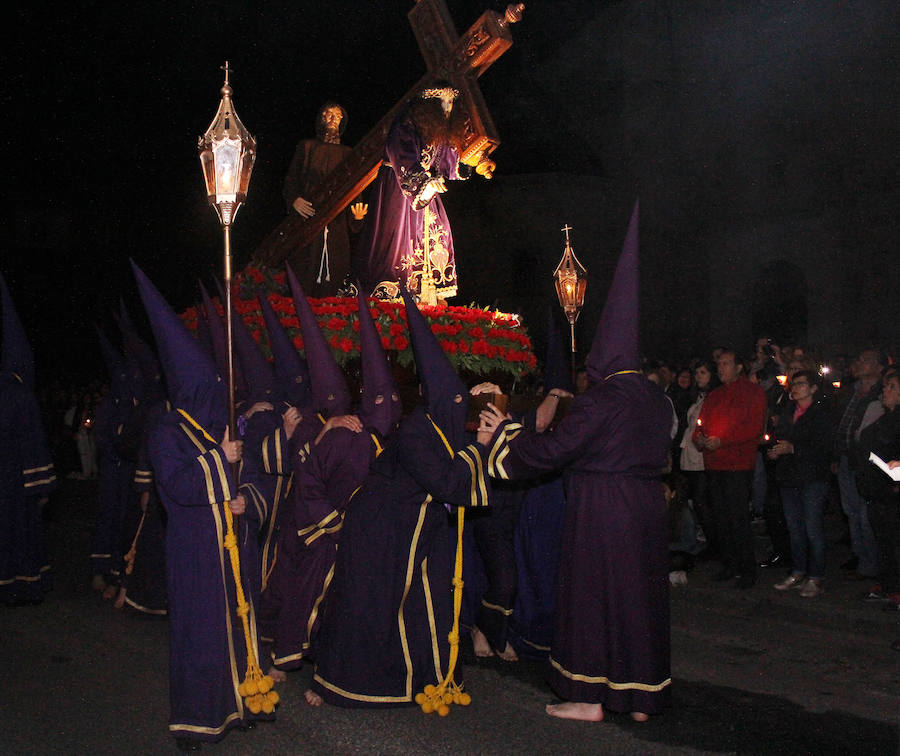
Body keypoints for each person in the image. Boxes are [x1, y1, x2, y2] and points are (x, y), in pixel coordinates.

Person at [479, 204, 673, 722]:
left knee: (592, 596)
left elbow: (554, 451)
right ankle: (641, 699)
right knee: (637, 599)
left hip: (602, 508)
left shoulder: (603, 399)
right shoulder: (654, 398)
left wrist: (504, 437)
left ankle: (587, 696)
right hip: (646, 506)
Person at [309, 289, 494, 708]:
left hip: (410, 531)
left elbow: (456, 465)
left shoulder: (439, 429)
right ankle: (336, 684)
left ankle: (420, 678)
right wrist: (480, 449)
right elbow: (449, 482)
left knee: (420, 602)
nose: (458, 409)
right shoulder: (416, 432)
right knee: (367, 606)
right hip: (378, 530)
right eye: (455, 402)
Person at [133, 262, 276, 749]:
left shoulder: (224, 423)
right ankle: (198, 719)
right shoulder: (167, 432)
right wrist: (220, 460)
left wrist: (245, 500)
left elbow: (255, 476)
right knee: (202, 632)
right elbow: (175, 486)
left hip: (235, 541)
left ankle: (242, 701)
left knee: (238, 623)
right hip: (195, 549)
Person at [352, 82, 495, 300]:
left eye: (451, 102)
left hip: (427, 190)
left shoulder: (440, 131)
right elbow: (399, 152)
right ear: (430, 105)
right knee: (396, 243)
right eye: (443, 102)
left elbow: (447, 161)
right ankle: (392, 294)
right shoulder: (408, 122)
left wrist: (469, 163)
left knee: (438, 235)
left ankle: (427, 297)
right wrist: (423, 183)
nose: (448, 107)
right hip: (400, 188)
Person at [0, 272, 57, 606]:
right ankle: (23, 584)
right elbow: (34, 443)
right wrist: (43, 486)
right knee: (19, 534)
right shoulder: (21, 396)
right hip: (16, 482)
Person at [693, 349, 767, 588]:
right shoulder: (714, 395)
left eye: (726, 363)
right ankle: (729, 564)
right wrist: (701, 439)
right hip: (714, 464)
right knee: (720, 518)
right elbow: (699, 426)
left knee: (737, 517)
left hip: (737, 464)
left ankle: (747, 569)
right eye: (720, 364)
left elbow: (753, 428)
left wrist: (723, 441)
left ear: (738, 367)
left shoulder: (753, 393)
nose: (721, 368)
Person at [282, 102, 368, 296]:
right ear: (321, 119)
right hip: (308, 219)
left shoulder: (348, 154)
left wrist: (357, 216)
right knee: (305, 270)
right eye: (328, 115)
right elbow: (291, 179)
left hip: (336, 222)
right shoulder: (307, 147)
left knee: (337, 271)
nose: (332, 119)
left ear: (341, 122)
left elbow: (354, 188)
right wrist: (294, 199)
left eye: (337, 116)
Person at [767, 369, 833, 597]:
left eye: (801, 384)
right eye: (793, 384)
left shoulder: (821, 413)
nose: (795, 388)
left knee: (812, 527)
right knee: (794, 528)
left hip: (812, 477)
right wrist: (775, 451)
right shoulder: (788, 412)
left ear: (813, 388)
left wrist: (794, 448)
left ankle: (816, 576)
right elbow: (779, 438)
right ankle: (798, 570)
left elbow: (824, 447)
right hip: (789, 477)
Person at [832, 348, 884, 579]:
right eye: (860, 359)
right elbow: (840, 425)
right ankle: (859, 555)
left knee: (865, 513)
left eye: (867, 360)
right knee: (851, 510)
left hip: (866, 463)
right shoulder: (850, 392)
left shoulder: (881, 393)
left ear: (879, 367)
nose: (861, 363)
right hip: (846, 458)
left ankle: (871, 562)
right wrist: (836, 455)